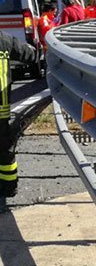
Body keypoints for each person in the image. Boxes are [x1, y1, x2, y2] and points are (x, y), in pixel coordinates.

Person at [0, 32, 37, 200]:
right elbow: (28, 55)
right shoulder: (4, 40)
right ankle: (9, 187)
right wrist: (38, 52)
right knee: (4, 147)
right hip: (2, 108)